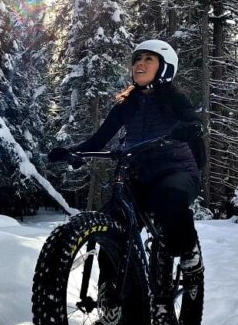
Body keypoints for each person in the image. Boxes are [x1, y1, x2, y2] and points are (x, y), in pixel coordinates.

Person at [49, 40, 205, 275]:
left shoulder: (175, 98)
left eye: (148, 59)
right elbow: (100, 138)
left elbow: (193, 122)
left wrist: (190, 128)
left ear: (165, 67)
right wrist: (74, 152)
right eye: (137, 59)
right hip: (138, 174)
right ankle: (111, 289)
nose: (140, 64)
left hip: (175, 169)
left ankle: (188, 253)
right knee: (114, 226)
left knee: (170, 195)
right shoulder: (126, 104)